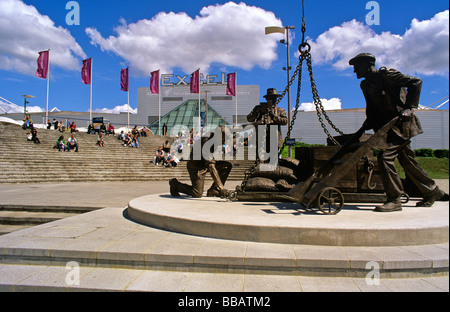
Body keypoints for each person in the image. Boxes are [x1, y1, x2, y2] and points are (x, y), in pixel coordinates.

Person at [349, 53, 449, 212]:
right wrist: (368, 122)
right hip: (386, 128)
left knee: (385, 158)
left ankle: (394, 199)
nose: (355, 71)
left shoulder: (387, 75)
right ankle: (432, 192)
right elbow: (372, 106)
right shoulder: (366, 85)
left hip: (401, 125)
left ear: (369, 64)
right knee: (408, 161)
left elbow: (416, 82)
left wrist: (409, 107)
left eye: (357, 66)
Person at [169, 128, 232, 198]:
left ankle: (213, 190)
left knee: (226, 166)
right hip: (196, 167)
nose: (223, 142)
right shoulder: (206, 142)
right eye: (223, 140)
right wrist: (222, 188)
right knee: (197, 193)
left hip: (205, 164)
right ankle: (175, 184)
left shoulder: (215, 138)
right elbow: (211, 166)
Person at [247, 88, 288, 158]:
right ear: (266, 99)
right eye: (270, 98)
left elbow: (285, 121)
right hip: (261, 137)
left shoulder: (280, 110)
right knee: (260, 159)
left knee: (273, 159)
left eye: (274, 98)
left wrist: (273, 116)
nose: (272, 99)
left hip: (274, 138)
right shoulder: (258, 108)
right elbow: (249, 119)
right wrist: (256, 112)